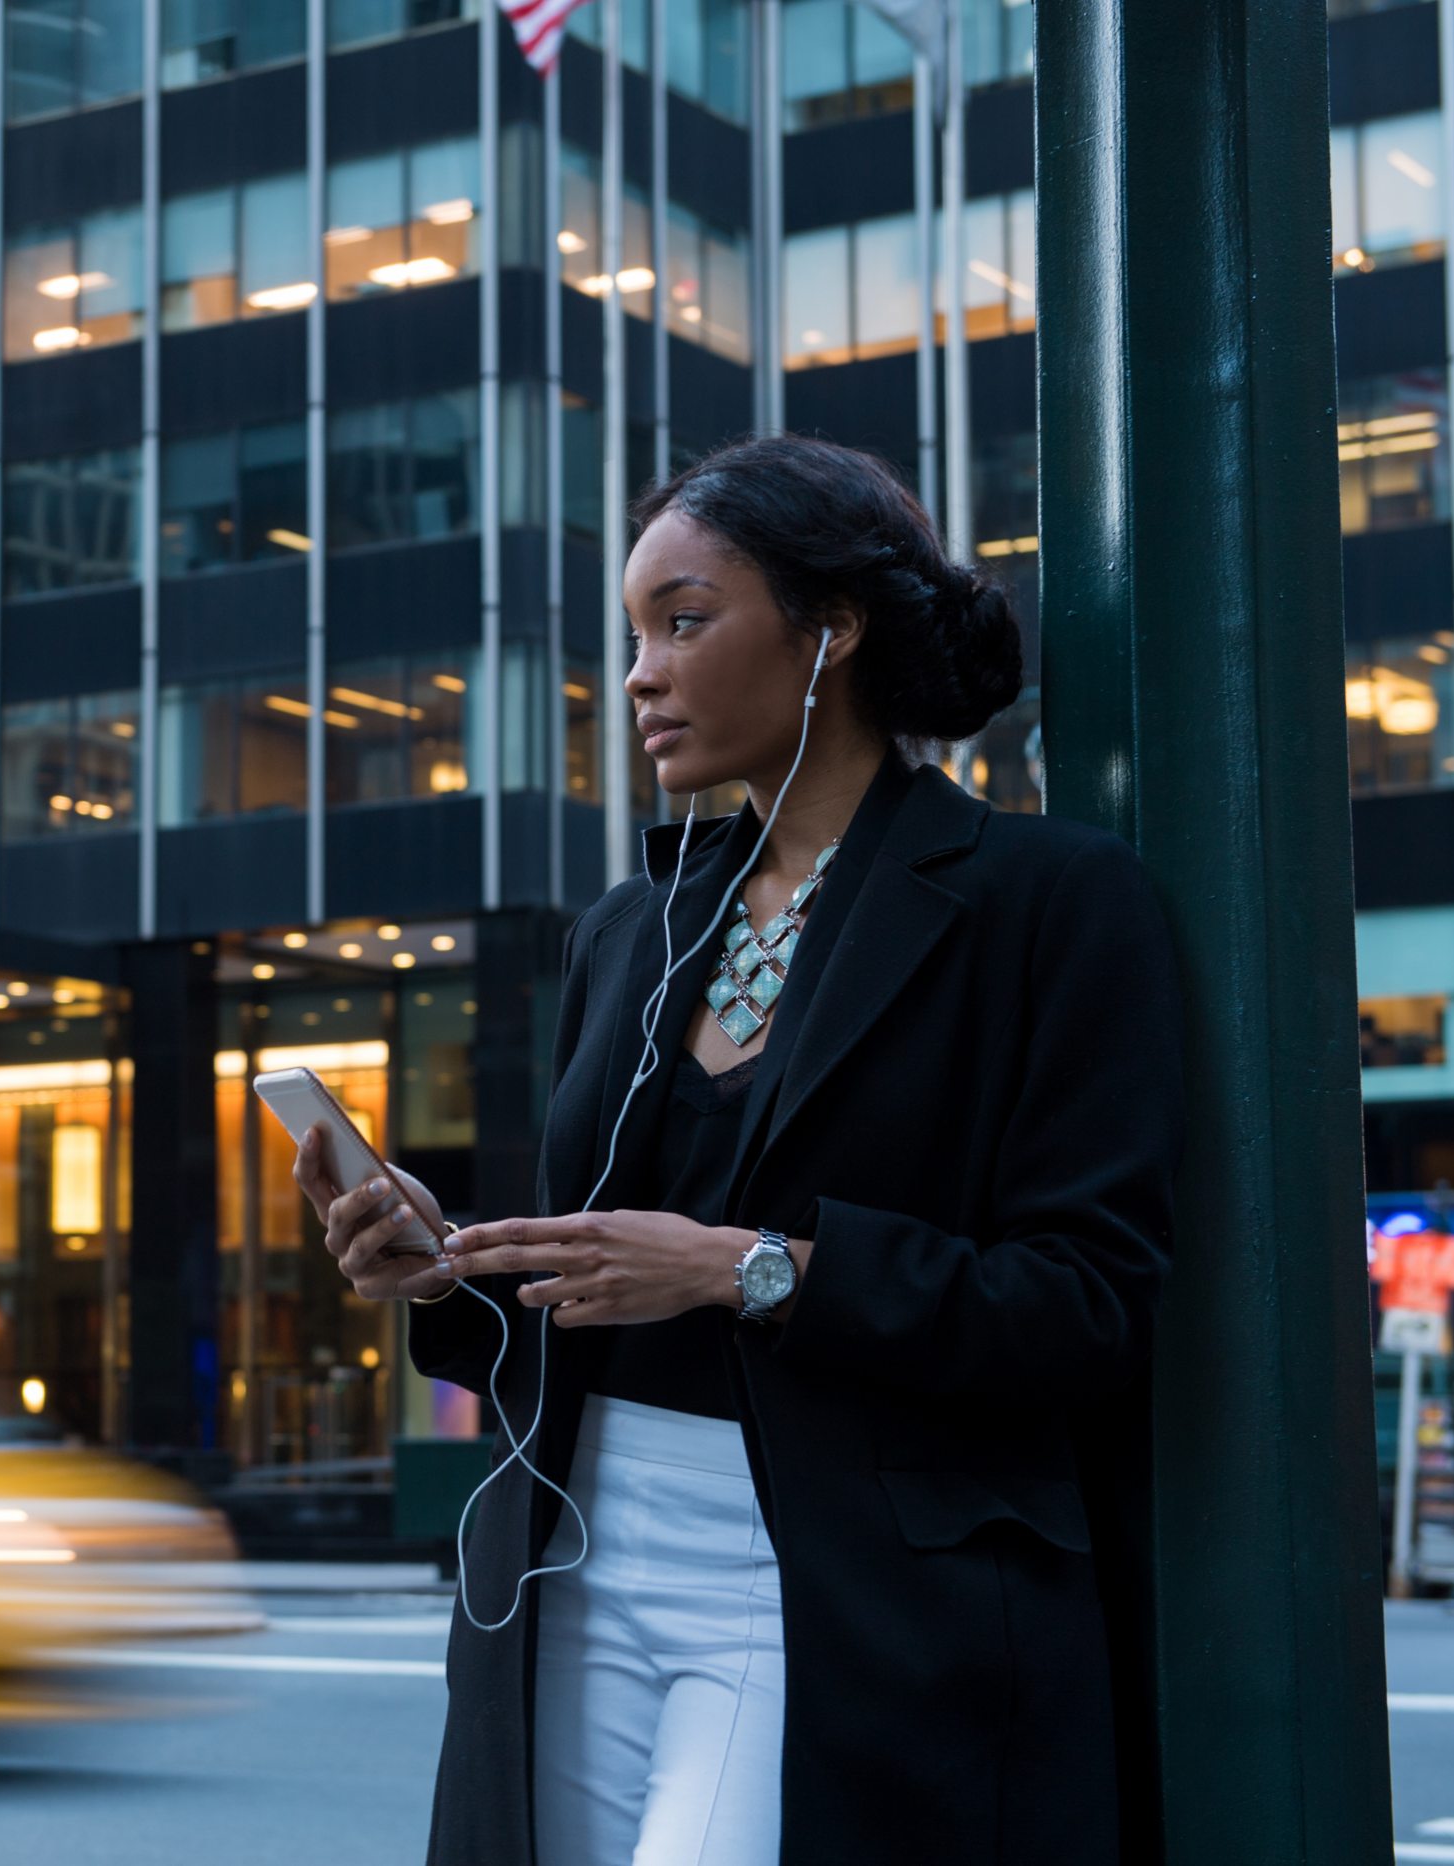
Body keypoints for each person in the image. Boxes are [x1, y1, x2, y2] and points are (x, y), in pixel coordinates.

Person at [295, 433, 1186, 1866]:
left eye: (684, 621)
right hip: (571, 1550)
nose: (638, 676)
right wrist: (443, 1266)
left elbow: (1088, 1304)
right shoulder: (627, 930)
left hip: (833, 1581)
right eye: (632, 635)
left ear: (832, 627)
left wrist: (749, 1269)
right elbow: (600, 1281)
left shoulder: (1050, 903)